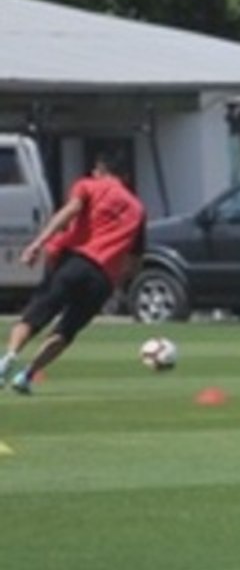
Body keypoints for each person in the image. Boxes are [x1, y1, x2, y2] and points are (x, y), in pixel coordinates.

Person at [0, 153, 146, 393]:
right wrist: (120, 285)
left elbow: (68, 212)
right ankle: (26, 375)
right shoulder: (138, 209)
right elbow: (135, 259)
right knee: (67, 330)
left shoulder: (90, 186)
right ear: (126, 177)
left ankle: (8, 359)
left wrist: (37, 244)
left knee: (35, 315)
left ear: (100, 170)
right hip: (102, 278)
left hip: (76, 262)